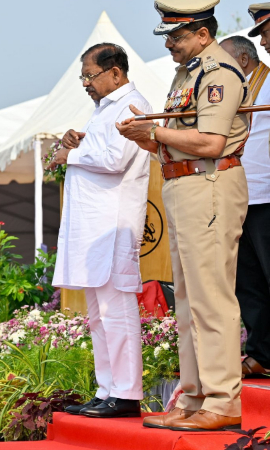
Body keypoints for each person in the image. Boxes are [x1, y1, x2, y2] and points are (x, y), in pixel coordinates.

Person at [117, 0, 250, 431]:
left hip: (209, 183)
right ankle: (193, 396)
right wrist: (150, 137)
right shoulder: (188, 72)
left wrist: (154, 131)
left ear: (203, 34)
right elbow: (179, 138)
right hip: (182, 181)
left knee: (211, 297)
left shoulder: (218, 72)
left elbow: (212, 142)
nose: (170, 44)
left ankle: (222, 399)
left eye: (176, 36)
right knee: (189, 300)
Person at [50, 43, 152, 419]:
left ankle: (125, 393)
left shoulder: (131, 104)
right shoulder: (104, 110)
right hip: (94, 228)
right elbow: (101, 151)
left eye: (89, 76)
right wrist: (76, 142)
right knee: (98, 313)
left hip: (113, 225)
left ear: (115, 72)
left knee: (116, 310)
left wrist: (70, 155)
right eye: (83, 77)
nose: (85, 84)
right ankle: (106, 389)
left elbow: (115, 158)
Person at [223, 8, 270, 379]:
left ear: (240, 61)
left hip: (268, 195)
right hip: (242, 195)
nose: (264, 41)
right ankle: (261, 352)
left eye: (268, 32)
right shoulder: (235, 90)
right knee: (248, 282)